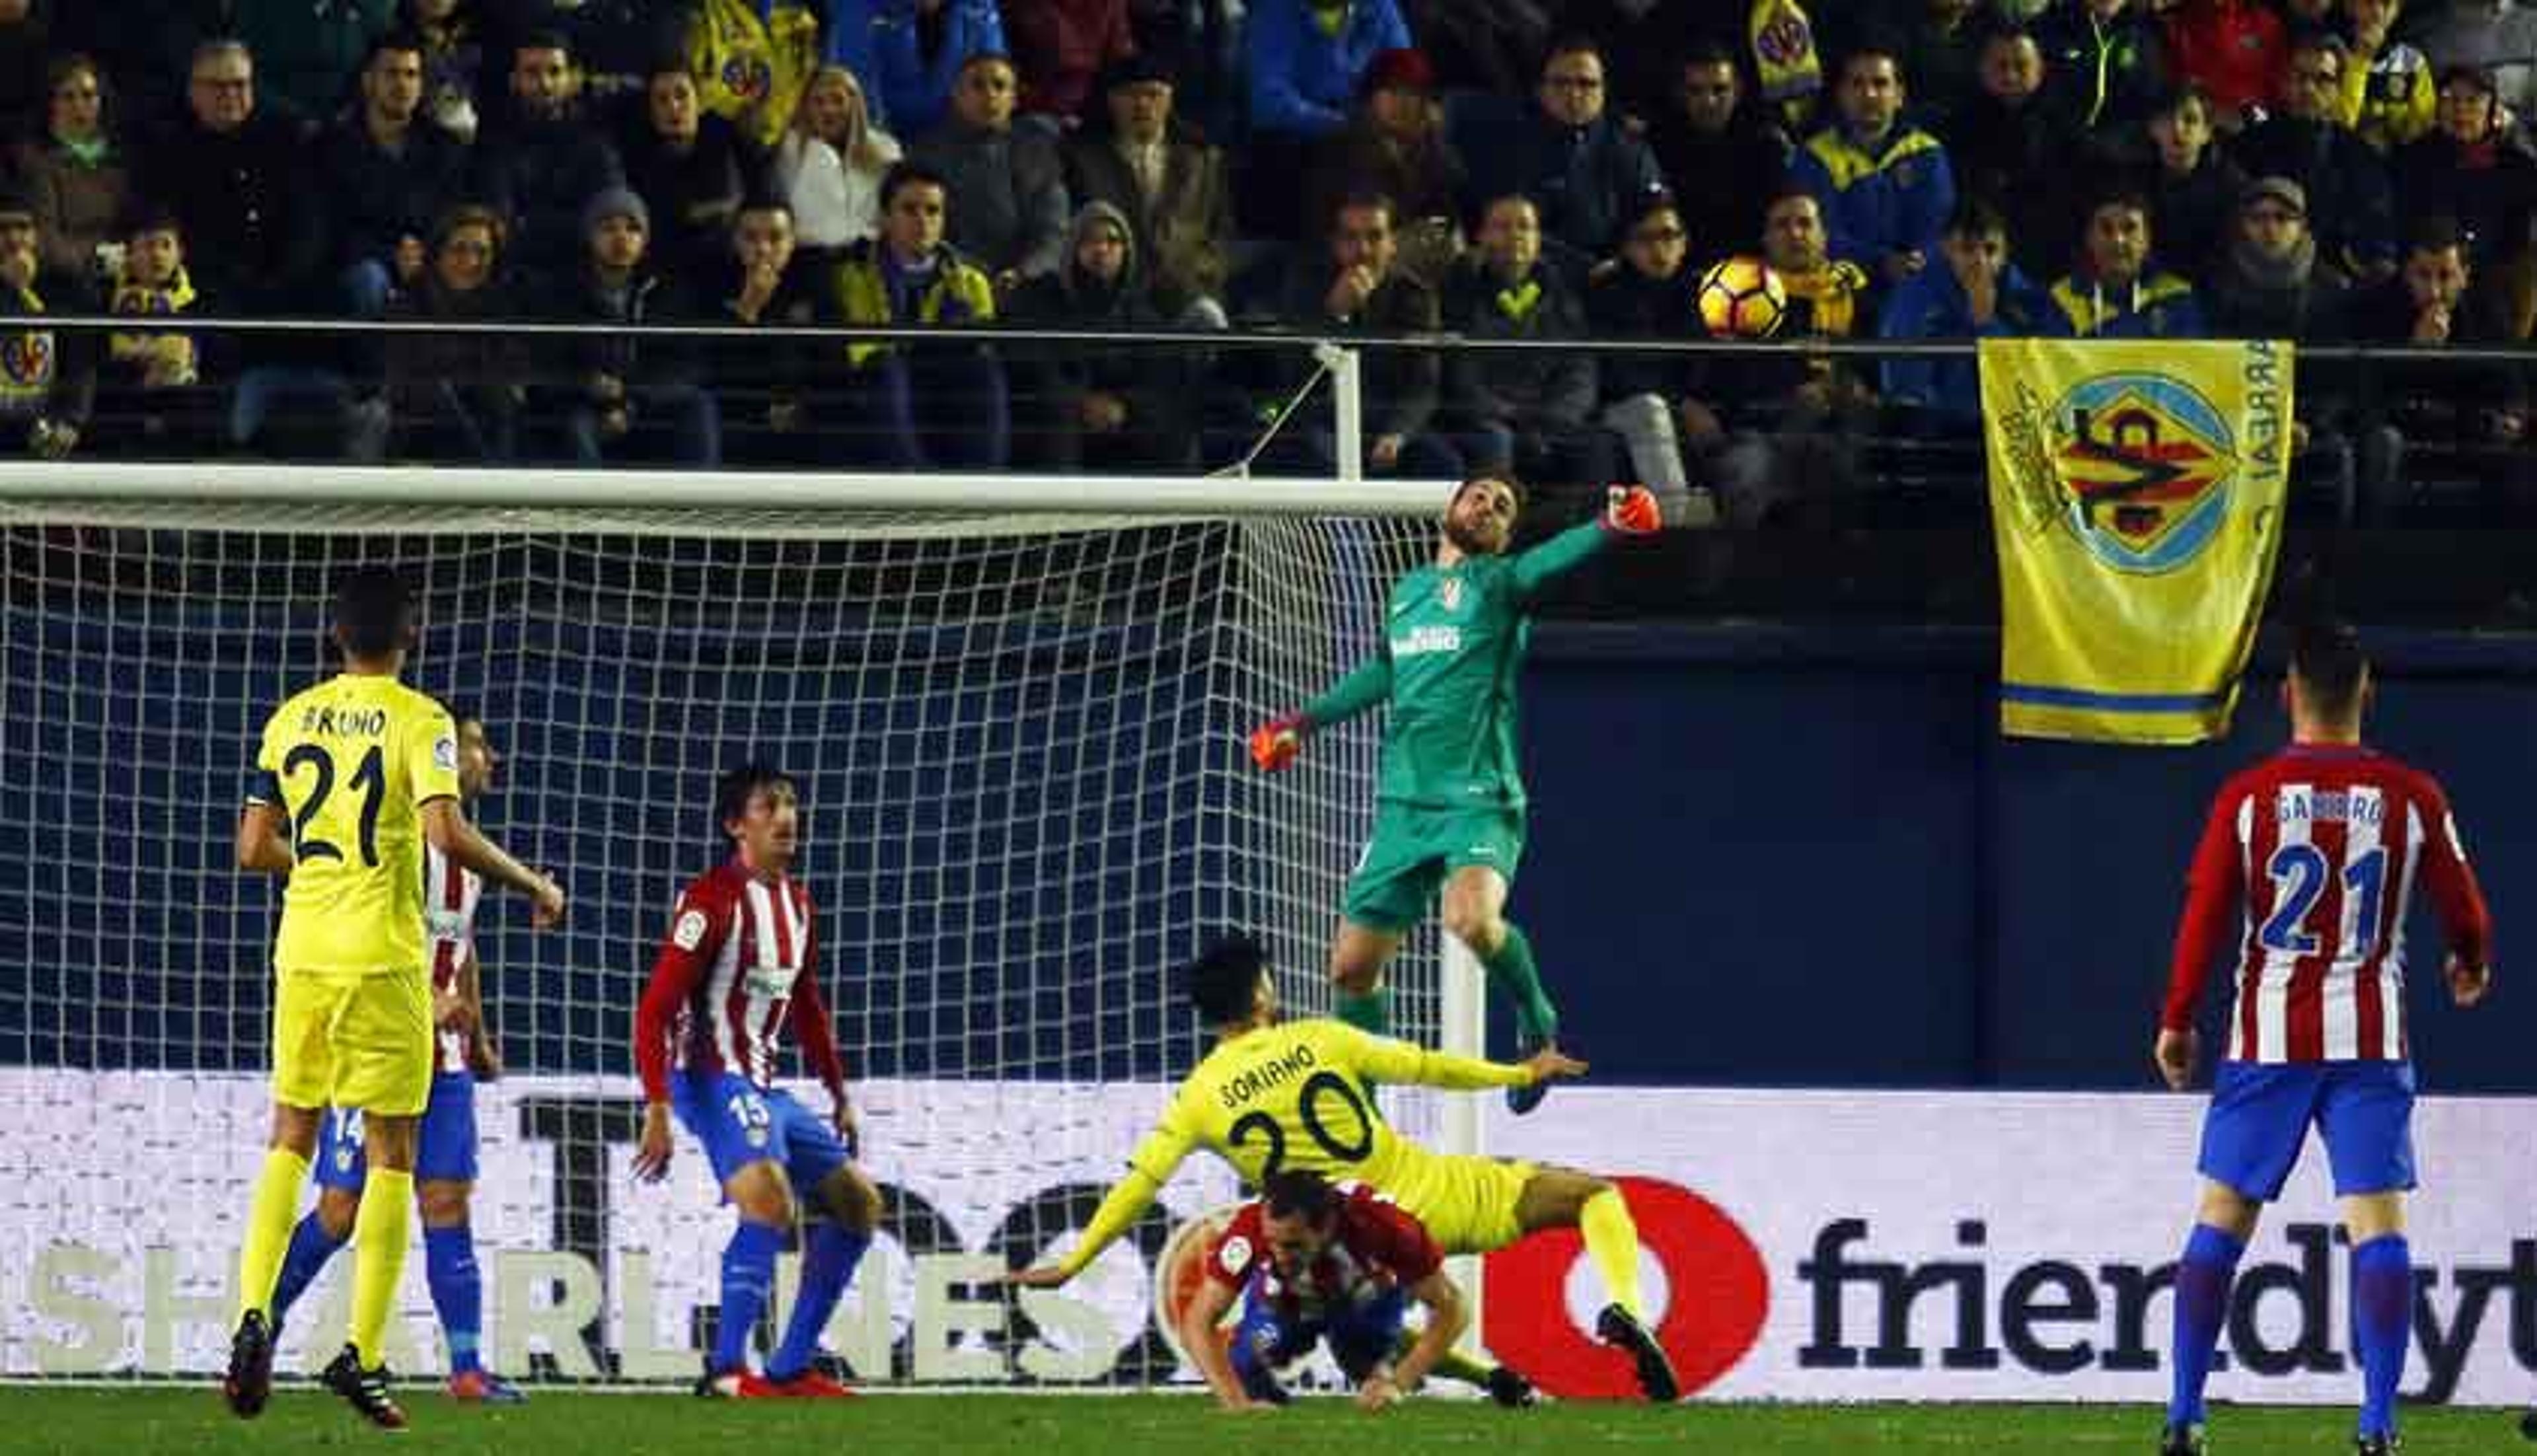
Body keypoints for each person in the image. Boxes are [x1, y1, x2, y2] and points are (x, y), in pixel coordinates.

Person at [1005, 933, 1681, 1402]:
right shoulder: (1320, 1037)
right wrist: (1518, 1069)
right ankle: (1623, 1301)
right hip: (1433, 1196)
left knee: (1353, 1317)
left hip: (1341, 1234)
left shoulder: (1197, 1099)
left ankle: (1481, 1375)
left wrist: (1074, 1260)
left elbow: (1139, 1184)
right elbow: (1426, 1066)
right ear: (1263, 992)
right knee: (1590, 1196)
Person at [225, 566, 564, 1429]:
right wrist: (534, 884)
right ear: (409, 636)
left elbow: (253, 847)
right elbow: (445, 832)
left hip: (300, 952)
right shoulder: (421, 720)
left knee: (290, 1130)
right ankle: (361, 1354)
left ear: (336, 636)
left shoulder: (289, 717)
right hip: (381, 958)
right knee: (391, 1152)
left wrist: (325, 861)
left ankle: (251, 1314)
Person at [2153, 621, 2493, 1456]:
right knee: (2378, 1228)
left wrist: (2176, 1016)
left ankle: (2185, 1417)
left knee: (2221, 1222)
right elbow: (2467, 906)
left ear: (2287, 695)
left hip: (2266, 1041)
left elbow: (2204, 911)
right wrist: (2470, 957)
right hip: (2368, 1045)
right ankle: (2377, 1425)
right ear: (2366, 694)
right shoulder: (2414, 796)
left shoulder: (2246, 798)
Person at [1245, 478, 1662, 1107]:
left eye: (1503, 508)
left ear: (1505, 535)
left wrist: (1609, 527)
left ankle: (1536, 1016)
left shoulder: (1500, 587)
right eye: (1480, 496)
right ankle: (1364, 1110)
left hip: (1478, 797)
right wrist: (1300, 723)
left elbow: (1547, 563)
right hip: (1402, 808)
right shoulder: (1408, 592)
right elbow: (1388, 669)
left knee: (1469, 920)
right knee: (1351, 971)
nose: (1489, 507)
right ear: (1450, 510)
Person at [260, 713, 525, 1403]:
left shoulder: (470, 859)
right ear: (438, 755)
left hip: (447, 1060)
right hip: (377, 1043)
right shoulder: (392, 838)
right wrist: (423, 997)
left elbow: (461, 945)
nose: (486, 756)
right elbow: (363, 929)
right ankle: (261, 1323)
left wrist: (480, 1030)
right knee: (341, 1206)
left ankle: (467, 1368)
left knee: (446, 1198)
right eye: (474, 742)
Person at [632, 764, 881, 1399]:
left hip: (766, 1088)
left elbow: (808, 1008)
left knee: (859, 1205)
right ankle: (723, 1370)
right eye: (769, 806)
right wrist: (657, 1104)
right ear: (735, 826)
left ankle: (792, 1365)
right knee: (770, 1203)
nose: (786, 817)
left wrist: (838, 1095)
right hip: (711, 1078)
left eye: (791, 803)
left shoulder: (797, 904)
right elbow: (655, 1009)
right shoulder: (711, 901)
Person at [1179, 1169, 1534, 1410]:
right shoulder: (1251, 1227)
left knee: (1363, 1361)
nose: (1278, 1254)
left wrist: (1398, 1385)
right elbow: (1199, 1319)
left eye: (1293, 1245)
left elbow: (1453, 1308)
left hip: (1366, 1298)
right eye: (1272, 1243)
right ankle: (1279, 1421)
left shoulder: (1385, 1225)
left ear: (1329, 1225)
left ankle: (1486, 1377)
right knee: (1246, 1360)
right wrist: (1235, 1404)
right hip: (1287, 1304)